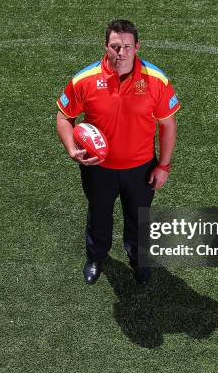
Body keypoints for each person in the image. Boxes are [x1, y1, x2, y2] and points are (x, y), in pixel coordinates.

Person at [55, 19, 180, 285]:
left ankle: (138, 259)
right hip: (97, 168)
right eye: (115, 46)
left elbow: (167, 125)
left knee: (138, 217)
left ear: (137, 47)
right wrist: (71, 149)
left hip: (141, 168)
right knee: (99, 213)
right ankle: (96, 256)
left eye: (126, 46)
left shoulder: (156, 81)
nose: (120, 53)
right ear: (106, 46)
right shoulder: (84, 80)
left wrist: (164, 166)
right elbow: (64, 117)